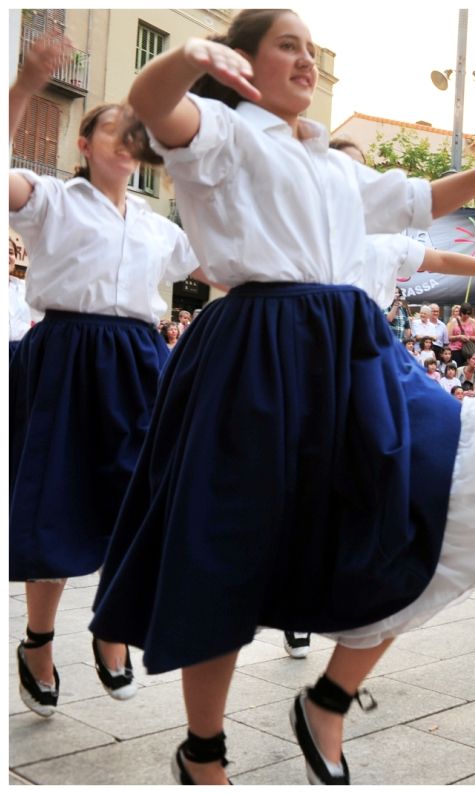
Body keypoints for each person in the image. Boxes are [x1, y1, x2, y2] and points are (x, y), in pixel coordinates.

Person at [87, 10, 475, 785]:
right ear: (242, 62)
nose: (306, 62)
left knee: (421, 490)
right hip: (257, 344)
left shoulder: (327, 159)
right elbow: (156, 106)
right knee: (223, 540)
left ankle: (329, 695)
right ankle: (204, 751)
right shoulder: (224, 133)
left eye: (310, 51)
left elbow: (420, 200)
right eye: (287, 46)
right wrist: (186, 58)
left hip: (348, 346)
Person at [9, 34, 217, 719]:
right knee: (58, 499)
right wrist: (25, 86)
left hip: (140, 357)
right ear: (83, 144)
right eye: (112, 129)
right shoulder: (53, 200)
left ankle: (112, 628)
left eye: (137, 133)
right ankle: (38, 640)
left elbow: (222, 263)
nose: (127, 140)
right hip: (68, 353)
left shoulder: (160, 227)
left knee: (140, 498)